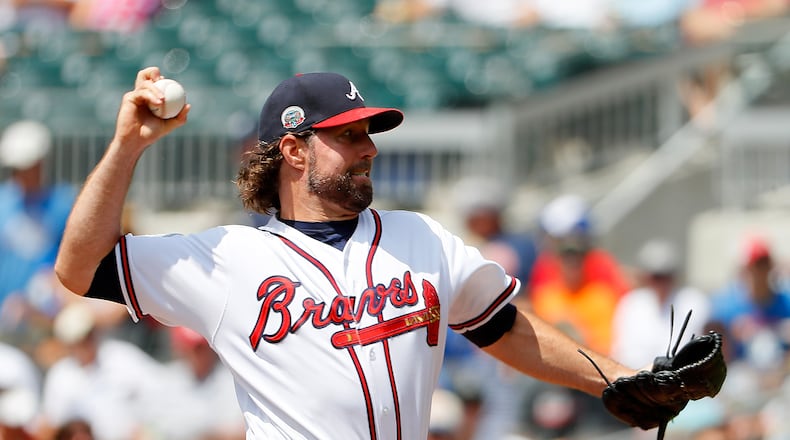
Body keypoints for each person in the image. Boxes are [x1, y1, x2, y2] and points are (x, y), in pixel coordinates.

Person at [54, 66, 643, 439]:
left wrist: (616, 379)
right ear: (294, 150)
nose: (369, 149)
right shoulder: (226, 259)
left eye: (368, 133)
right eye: (348, 135)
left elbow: (506, 328)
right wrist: (126, 147)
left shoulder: (421, 238)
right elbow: (80, 268)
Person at [40, 302, 164, 440]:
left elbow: (159, 391)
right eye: (77, 340)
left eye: (87, 336)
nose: (84, 343)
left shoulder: (122, 357)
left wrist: (146, 428)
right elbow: (54, 423)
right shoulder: (60, 376)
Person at [0, 120, 77, 336]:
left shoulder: (63, 204)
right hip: (5, 318)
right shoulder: (3, 202)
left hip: (49, 319)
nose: (23, 174)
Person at [611, 238, 712, 370]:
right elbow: (622, 353)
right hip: (638, 379)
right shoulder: (631, 304)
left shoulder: (695, 302)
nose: (662, 282)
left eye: (666, 275)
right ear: (646, 276)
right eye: (656, 276)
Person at [142, 326, 245, 440]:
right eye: (193, 348)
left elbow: (240, 432)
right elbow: (148, 430)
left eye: (202, 347)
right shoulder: (168, 379)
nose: (198, 354)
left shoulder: (232, 379)